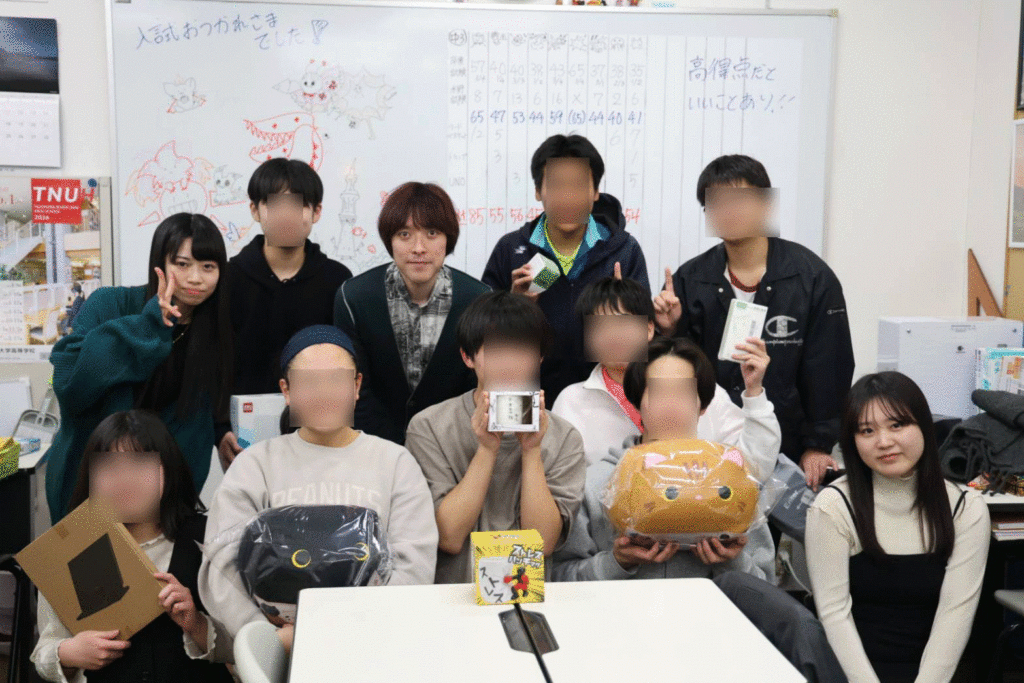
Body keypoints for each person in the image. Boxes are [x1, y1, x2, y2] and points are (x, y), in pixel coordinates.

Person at [199, 325, 438, 653]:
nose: (324, 393)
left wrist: (354, 632)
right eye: (309, 381)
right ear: (286, 390)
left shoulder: (396, 462)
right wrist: (263, 637)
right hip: (279, 647)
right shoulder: (254, 465)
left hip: (374, 646)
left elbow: (414, 564)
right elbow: (221, 565)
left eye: (337, 379)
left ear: (356, 385)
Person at [653, 154, 854, 490]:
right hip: (707, 447)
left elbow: (830, 367)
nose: (728, 211)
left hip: (790, 445)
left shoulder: (811, 277)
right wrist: (671, 329)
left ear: (766, 204)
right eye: (716, 203)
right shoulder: (690, 279)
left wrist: (818, 444)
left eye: (740, 200)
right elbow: (677, 370)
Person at [46, 213, 233, 524]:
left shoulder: (213, 331)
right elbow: (69, 384)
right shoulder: (110, 303)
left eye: (208, 267)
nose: (195, 278)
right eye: (182, 264)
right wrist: (147, 325)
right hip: (92, 479)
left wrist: (222, 432)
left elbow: (197, 420)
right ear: (159, 263)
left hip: (163, 496)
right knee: (91, 556)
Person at [805, 372, 990, 683]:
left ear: (923, 426)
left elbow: (956, 615)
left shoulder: (965, 508)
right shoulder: (832, 507)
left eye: (897, 425)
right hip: (850, 673)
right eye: (867, 430)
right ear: (852, 440)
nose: (884, 442)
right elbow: (834, 615)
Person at [552, 335, 780, 583]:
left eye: (683, 393)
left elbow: (766, 585)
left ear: (702, 406)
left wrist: (732, 561)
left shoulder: (732, 481)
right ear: (636, 404)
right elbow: (559, 577)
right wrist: (616, 562)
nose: (671, 406)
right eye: (658, 393)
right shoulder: (597, 484)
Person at [32, 410, 233, 683]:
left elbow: (242, 645)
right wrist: (69, 654)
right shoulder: (68, 551)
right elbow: (44, 652)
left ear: (168, 469)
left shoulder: (208, 539)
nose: (124, 479)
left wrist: (196, 624)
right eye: (108, 467)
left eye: (140, 463)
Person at [405, 291, 586, 584]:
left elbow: (542, 543)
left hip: (528, 593)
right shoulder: (429, 427)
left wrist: (532, 450)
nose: (510, 363)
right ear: (468, 357)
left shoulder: (565, 437)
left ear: (540, 357)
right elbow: (449, 537)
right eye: (497, 351)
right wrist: (487, 449)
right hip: (451, 596)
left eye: (522, 350)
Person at [482, 134, 649, 405]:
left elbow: (642, 343)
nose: (568, 197)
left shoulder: (624, 250)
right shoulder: (511, 249)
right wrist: (514, 305)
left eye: (578, 185)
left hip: (604, 402)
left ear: (595, 192)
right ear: (538, 191)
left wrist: (623, 315)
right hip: (527, 399)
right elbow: (481, 338)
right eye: (557, 185)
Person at [217, 157, 352, 470]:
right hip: (245, 435)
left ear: (316, 211)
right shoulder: (228, 280)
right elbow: (214, 361)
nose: (287, 214)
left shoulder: (338, 281)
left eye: (298, 204)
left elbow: (347, 363)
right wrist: (219, 428)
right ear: (255, 210)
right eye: (275, 203)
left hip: (320, 432)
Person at [334, 182, 489, 444]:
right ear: (390, 241)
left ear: (448, 238)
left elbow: (478, 387)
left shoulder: (478, 299)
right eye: (404, 234)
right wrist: (386, 451)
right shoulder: (354, 297)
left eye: (432, 233)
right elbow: (354, 388)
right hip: (373, 447)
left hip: (454, 446)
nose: (419, 248)